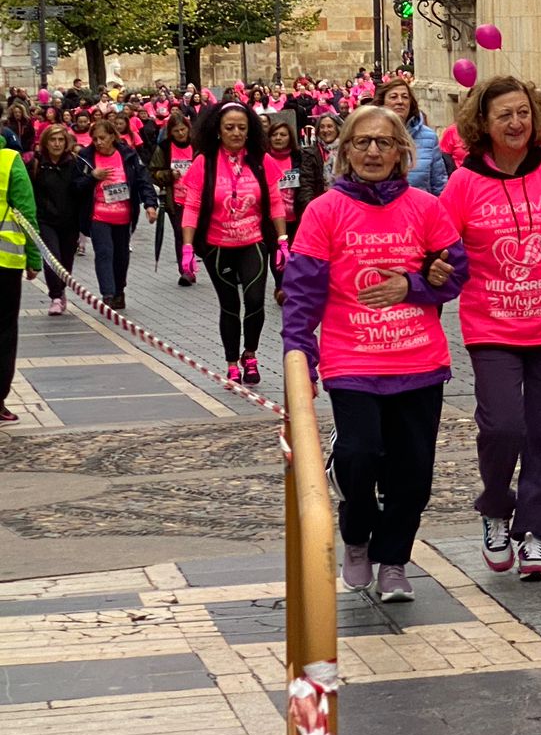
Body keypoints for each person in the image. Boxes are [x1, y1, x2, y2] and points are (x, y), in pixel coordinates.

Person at [282, 105, 468, 602]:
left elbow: (455, 274)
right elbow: (301, 292)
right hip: (353, 361)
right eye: (361, 142)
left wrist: (413, 285)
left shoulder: (426, 207)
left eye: (383, 143)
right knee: (359, 458)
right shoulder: (324, 211)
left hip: (418, 362)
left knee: (414, 476)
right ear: (343, 152)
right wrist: (298, 355)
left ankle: (394, 562)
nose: (372, 151)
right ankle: (357, 536)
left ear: (402, 152)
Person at [441, 76, 541, 581]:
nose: (517, 123)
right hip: (491, 326)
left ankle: (537, 534)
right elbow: (440, 248)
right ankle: (496, 508)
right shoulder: (463, 182)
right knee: (502, 427)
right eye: (505, 115)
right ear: (484, 123)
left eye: (524, 112)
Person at [179, 101, 289, 387]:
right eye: (230, 128)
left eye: (242, 127)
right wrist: (187, 247)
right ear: (217, 130)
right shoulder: (205, 162)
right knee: (229, 306)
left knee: (254, 302)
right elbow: (191, 206)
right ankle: (230, 362)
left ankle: (249, 354)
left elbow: (275, 202)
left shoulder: (261, 160)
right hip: (218, 245)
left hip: (253, 241)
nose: (237, 133)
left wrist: (282, 240)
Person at [83, 115, 157, 311]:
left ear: (112, 137)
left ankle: (119, 292)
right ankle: (107, 294)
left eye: (102, 138)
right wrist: (92, 177)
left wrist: (150, 204)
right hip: (98, 214)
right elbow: (75, 185)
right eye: (95, 139)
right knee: (104, 252)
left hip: (123, 215)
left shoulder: (128, 155)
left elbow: (143, 180)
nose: (98, 143)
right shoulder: (86, 157)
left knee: (121, 256)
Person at [262, 114, 324, 306]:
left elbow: (306, 182)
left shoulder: (299, 158)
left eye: (283, 135)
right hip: (272, 216)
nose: (279, 138)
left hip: (295, 214)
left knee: (295, 253)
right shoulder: (262, 159)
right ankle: (281, 286)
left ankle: (292, 286)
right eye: (275, 135)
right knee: (276, 253)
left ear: (290, 137)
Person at [29, 124, 90, 316]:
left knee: (66, 260)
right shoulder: (37, 163)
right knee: (52, 257)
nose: (56, 144)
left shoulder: (75, 163)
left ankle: (61, 289)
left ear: (66, 143)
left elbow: (81, 189)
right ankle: (55, 296)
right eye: (52, 140)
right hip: (46, 220)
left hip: (69, 220)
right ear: (45, 142)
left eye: (60, 140)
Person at [0, 138, 41, 423]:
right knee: (3, 332)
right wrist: (34, 257)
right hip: (4, 261)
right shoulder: (9, 160)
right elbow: (26, 210)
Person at [375, 77, 449, 194]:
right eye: (393, 97)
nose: (400, 101)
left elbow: (439, 184)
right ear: (382, 103)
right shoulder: (371, 135)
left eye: (405, 97)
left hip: (421, 209)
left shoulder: (429, 137)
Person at [150, 109, 199, 285]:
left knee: (198, 235)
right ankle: (186, 270)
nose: (180, 133)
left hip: (197, 198)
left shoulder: (197, 146)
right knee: (181, 234)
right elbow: (153, 172)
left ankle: (194, 262)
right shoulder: (163, 148)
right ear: (170, 132)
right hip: (175, 200)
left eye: (183, 130)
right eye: (176, 131)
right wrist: (169, 175)